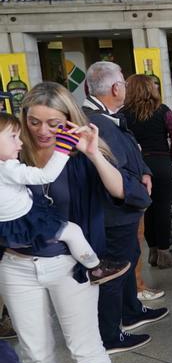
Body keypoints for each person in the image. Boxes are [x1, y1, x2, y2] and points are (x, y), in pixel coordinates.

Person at [0, 81, 125, 363]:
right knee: (34, 356)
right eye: (33, 122)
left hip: (68, 265)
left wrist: (93, 154)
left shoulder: (76, 151)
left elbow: (122, 190)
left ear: (68, 118)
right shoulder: (12, 154)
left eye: (53, 123)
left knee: (86, 351)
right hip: (16, 265)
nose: (42, 130)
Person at [83, 62, 167, 355]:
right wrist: (140, 193)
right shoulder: (97, 122)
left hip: (123, 206)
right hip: (115, 209)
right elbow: (113, 169)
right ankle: (109, 334)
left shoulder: (109, 118)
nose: (126, 87)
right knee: (115, 269)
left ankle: (131, 311)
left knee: (129, 257)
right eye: (123, 82)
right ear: (116, 88)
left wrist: (144, 170)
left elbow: (132, 150)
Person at [0, 112, 128, 282]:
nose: (21, 142)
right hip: (23, 221)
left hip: (12, 223)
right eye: (13, 137)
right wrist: (63, 147)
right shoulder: (8, 169)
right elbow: (45, 176)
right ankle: (95, 267)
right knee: (73, 232)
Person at [121, 74, 172, 269]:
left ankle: (153, 252)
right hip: (161, 162)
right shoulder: (162, 110)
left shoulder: (123, 114)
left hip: (138, 166)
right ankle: (164, 254)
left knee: (146, 209)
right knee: (163, 208)